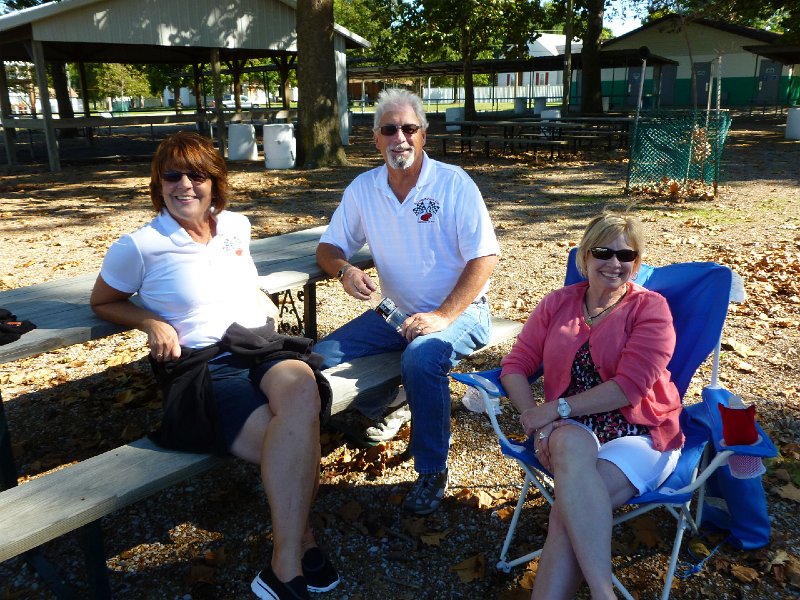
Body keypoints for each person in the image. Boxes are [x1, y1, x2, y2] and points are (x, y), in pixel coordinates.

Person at [89, 131, 338, 600]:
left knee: (301, 389)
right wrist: (149, 321)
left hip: (260, 347)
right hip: (203, 367)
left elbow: (239, 279)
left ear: (215, 182)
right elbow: (103, 300)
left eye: (197, 174)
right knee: (288, 441)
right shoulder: (139, 245)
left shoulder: (236, 226)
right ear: (158, 183)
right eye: (172, 175)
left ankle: (282, 566)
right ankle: (300, 545)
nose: (185, 184)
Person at [315, 88, 500, 515]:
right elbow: (327, 248)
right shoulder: (364, 189)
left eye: (409, 128)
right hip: (395, 314)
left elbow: (485, 257)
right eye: (389, 129)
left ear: (423, 134)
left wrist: (442, 315)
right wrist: (344, 270)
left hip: (462, 313)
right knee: (318, 356)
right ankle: (394, 403)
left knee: (420, 359)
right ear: (376, 139)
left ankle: (432, 469)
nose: (400, 137)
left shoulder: (453, 183)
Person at [499, 213, 684, 600]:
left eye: (625, 255)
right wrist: (538, 421)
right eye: (603, 252)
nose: (614, 263)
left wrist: (555, 410)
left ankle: (603, 593)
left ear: (636, 262)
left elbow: (629, 388)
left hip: (641, 432)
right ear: (584, 257)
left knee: (567, 515)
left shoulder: (652, 309)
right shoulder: (557, 304)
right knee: (569, 459)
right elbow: (515, 366)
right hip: (572, 430)